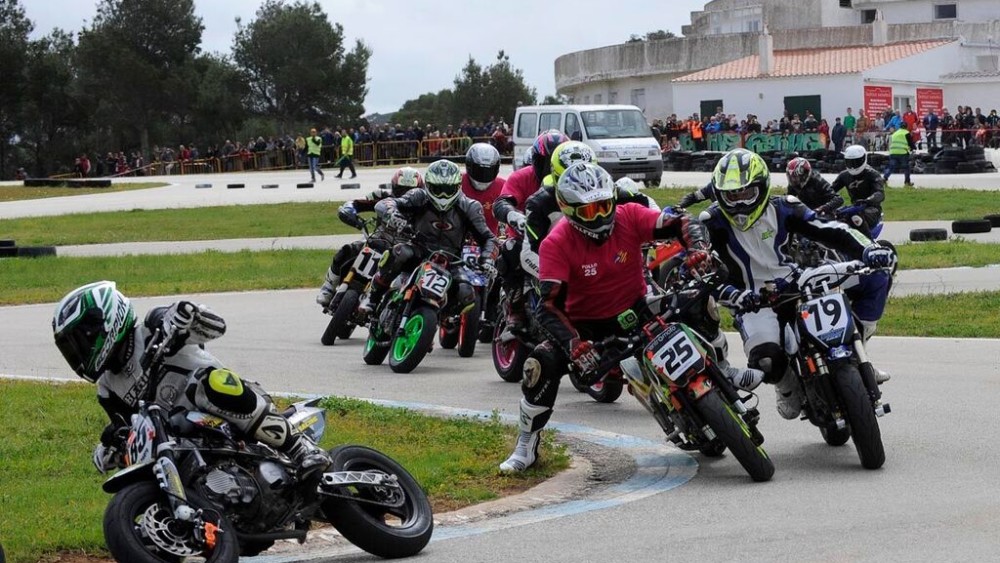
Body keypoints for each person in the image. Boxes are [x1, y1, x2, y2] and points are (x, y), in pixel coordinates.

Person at [499, 163, 727, 473]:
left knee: (700, 301)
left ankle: (724, 370)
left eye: (604, 206)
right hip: (588, 327)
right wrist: (574, 344)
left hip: (639, 305)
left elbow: (680, 222)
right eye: (588, 211)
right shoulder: (555, 244)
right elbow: (548, 307)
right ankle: (526, 445)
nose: (599, 217)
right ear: (569, 211)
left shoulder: (630, 214)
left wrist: (697, 249)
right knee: (540, 364)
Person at [53, 281, 331, 477]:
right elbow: (129, 428)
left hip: (231, 409)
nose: (79, 353)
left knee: (209, 383)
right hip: (188, 439)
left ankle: (299, 448)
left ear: (105, 324)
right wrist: (113, 442)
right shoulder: (107, 388)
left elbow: (217, 326)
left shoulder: (152, 327)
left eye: (81, 342)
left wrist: (187, 317)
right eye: (72, 348)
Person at [697, 149, 895, 419]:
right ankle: (787, 388)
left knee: (876, 276)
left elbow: (829, 229)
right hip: (752, 299)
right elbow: (704, 272)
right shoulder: (711, 223)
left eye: (747, 193)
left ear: (762, 186)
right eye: (732, 195)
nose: (740, 202)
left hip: (798, 281)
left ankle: (857, 351)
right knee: (767, 361)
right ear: (720, 194)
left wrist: (869, 249)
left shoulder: (784, 207)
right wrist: (732, 294)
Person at [362, 160, 497, 316]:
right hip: (418, 250)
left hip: (451, 260)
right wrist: (393, 214)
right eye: (438, 189)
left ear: (458, 186)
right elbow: (387, 203)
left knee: (467, 292)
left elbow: (488, 238)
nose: (443, 195)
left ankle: (447, 318)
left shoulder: (470, 206)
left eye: (448, 190)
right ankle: (372, 296)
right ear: (428, 185)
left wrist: (487, 259)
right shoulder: (418, 195)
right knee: (399, 252)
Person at [492, 130, 570, 332]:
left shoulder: (574, 180)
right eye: (545, 162)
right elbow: (501, 203)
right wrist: (514, 215)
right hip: (526, 240)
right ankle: (514, 308)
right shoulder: (521, 177)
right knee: (509, 249)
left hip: (564, 241)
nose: (550, 169)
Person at [316, 167, 425, 307]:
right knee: (347, 250)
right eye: (401, 189)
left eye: (411, 190)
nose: (407, 194)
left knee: (407, 278)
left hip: (401, 250)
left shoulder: (423, 209)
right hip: (377, 239)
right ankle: (328, 288)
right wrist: (349, 212)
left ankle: (389, 307)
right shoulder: (383, 196)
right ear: (394, 187)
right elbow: (356, 203)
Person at [830, 145, 886, 237]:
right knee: (834, 217)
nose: (852, 166)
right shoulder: (844, 175)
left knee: (855, 216)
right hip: (854, 207)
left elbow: (880, 193)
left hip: (872, 209)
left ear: (863, 159)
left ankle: (869, 243)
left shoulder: (872, 174)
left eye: (856, 162)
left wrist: (868, 200)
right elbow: (830, 191)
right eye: (850, 162)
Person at [461, 143, 506, 236]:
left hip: (491, 243)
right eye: (479, 170)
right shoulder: (456, 182)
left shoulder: (504, 186)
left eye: (488, 171)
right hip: (458, 242)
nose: (483, 175)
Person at [883, 121, 915, 186]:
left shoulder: (895, 133)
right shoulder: (906, 133)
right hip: (902, 153)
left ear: (900, 126)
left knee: (891, 167)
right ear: (906, 127)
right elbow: (911, 143)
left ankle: (884, 178)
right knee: (906, 167)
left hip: (893, 152)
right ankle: (907, 182)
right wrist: (913, 148)